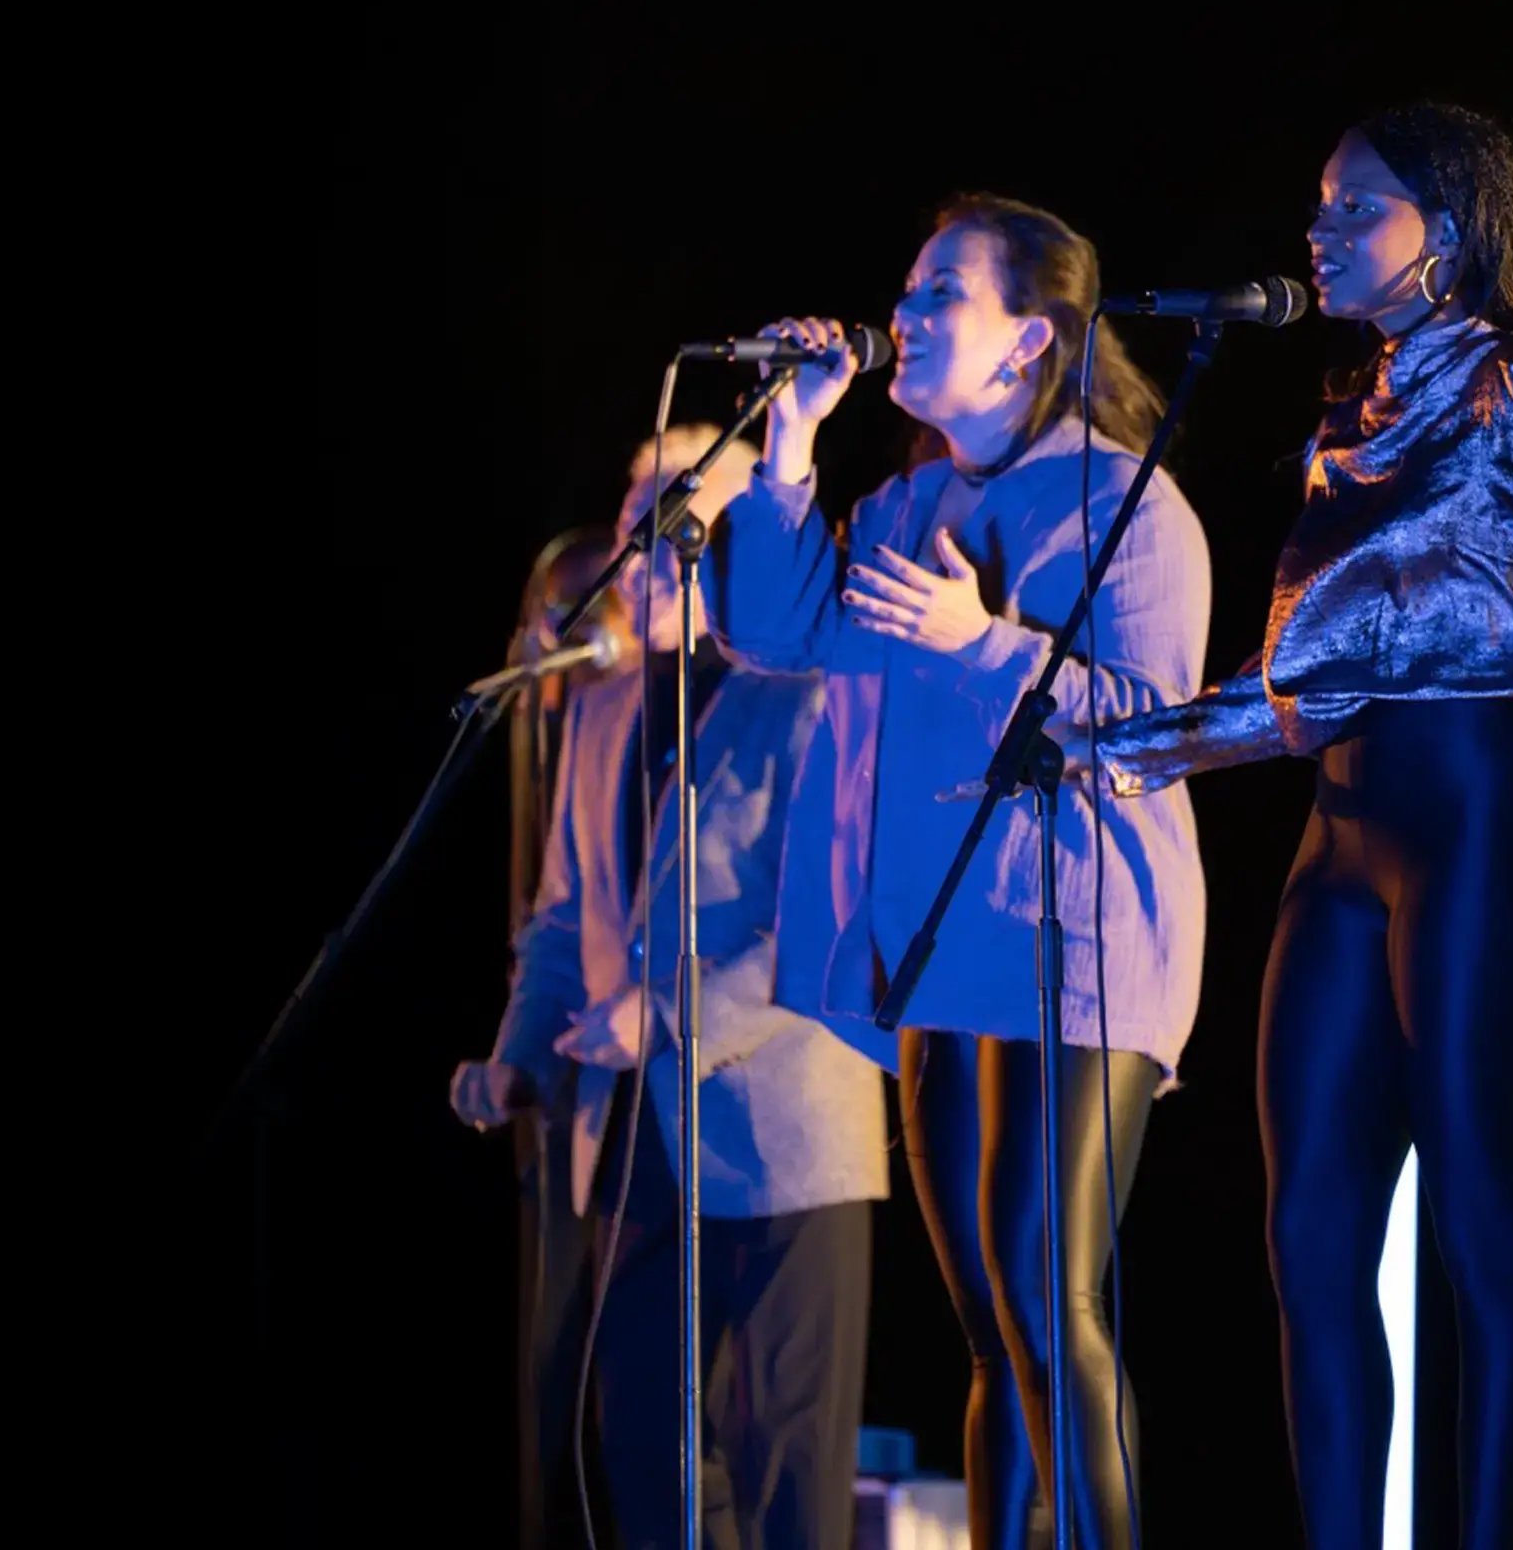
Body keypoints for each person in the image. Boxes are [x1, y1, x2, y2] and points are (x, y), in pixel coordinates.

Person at [1090, 102, 1513, 1549]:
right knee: (1310, 1233)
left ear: (1441, 233)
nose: (1312, 229)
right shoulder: (1346, 416)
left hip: (1483, 809)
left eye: (1347, 205)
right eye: (1312, 202)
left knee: (1477, 1220)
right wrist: (1119, 746)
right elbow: (1307, 687)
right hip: (1343, 825)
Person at [708, 193, 1211, 1550]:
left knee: (1053, 1302)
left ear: (1028, 340)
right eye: (911, 288)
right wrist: (792, 439)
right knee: (991, 1326)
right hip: (937, 943)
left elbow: (1157, 730)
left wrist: (979, 639)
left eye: (944, 294)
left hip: (1078, 944)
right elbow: (772, 628)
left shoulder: (1131, 504)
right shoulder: (908, 497)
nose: (908, 314)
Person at [452, 428, 889, 1550]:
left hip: (786, 1132)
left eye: (673, 524)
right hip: (634, 1136)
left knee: (787, 1464)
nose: (637, 551)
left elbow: (836, 920)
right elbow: (564, 912)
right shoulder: (599, 708)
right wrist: (520, 1052)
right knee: (646, 1455)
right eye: (634, 518)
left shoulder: (807, 689)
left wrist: (673, 1011)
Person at [501, 524, 630, 1550]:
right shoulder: (572, 730)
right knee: (566, 1398)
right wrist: (517, 1051)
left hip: (675, 1092)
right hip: (582, 1105)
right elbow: (555, 918)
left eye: (589, 609)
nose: (567, 632)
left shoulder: (690, 706)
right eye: (555, 615)